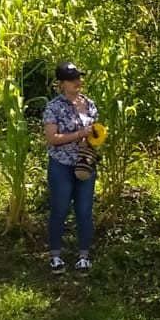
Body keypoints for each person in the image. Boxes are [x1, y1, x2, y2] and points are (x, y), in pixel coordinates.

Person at [42, 61, 98, 275]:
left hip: (85, 163)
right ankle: (55, 256)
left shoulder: (90, 104)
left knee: (84, 211)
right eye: (72, 79)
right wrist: (80, 134)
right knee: (60, 209)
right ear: (61, 83)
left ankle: (83, 257)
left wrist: (94, 137)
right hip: (61, 165)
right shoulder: (54, 107)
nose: (78, 82)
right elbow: (52, 138)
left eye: (79, 78)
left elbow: (94, 131)